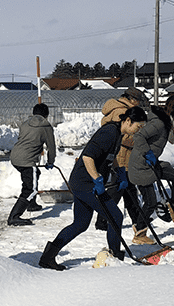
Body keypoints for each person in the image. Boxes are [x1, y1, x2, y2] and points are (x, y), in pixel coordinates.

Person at [38, 106, 147, 271]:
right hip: (85, 182)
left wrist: (120, 172)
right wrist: (97, 179)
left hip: (82, 182)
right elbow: (88, 156)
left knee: (80, 224)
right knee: (115, 216)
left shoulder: (118, 134)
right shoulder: (109, 133)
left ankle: (48, 257)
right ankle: (114, 257)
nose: (137, 131)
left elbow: (112, 156)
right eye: (138, 127)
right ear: (128, 121)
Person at [128, 95, 174, 235]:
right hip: (142, 166)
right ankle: (140, 231)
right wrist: (148, 153)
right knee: (150, 203)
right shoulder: (159, 123)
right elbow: (138, 136)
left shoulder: (164, 121)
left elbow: (173, 139)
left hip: (148, 163)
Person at [96, 87, 147, 233]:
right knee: (117, 190)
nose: (139, 104)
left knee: (128, 189)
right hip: (119, 157)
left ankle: (137, 220)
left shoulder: (120, 109)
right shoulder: (120, 112)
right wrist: (138, 141)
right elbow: (122, 136)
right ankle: (102, 220)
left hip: (124, 157)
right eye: (138, 101)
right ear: (131, 99)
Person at [7, 103, 56, 226]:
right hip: (27, 160)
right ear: (46, 115)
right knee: (30, 190)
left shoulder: (25, 123)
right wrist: (50, 162)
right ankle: (14, 216)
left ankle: (32, 204)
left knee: (34, 175)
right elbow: (51, 147)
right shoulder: (46, 126)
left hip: (15, 156)